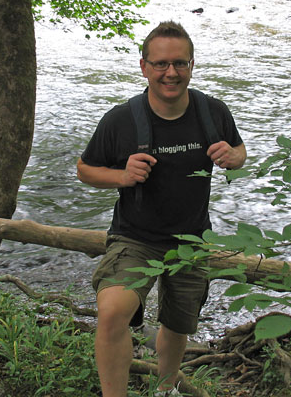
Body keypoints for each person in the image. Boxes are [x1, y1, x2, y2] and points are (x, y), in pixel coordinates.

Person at [77, 21, 246, 397]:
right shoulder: (121, 119)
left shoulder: (212, 111)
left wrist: (233, 157)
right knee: (112, 312)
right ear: (144, 67)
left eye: (180, 64)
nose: (171, 72)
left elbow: (239, 151)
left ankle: (166, 388)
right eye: (161, 64)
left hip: (191, 238)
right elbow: (85, 169)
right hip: (135, 236)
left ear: (191, 65)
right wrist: (122, 176)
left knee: (177, 322)